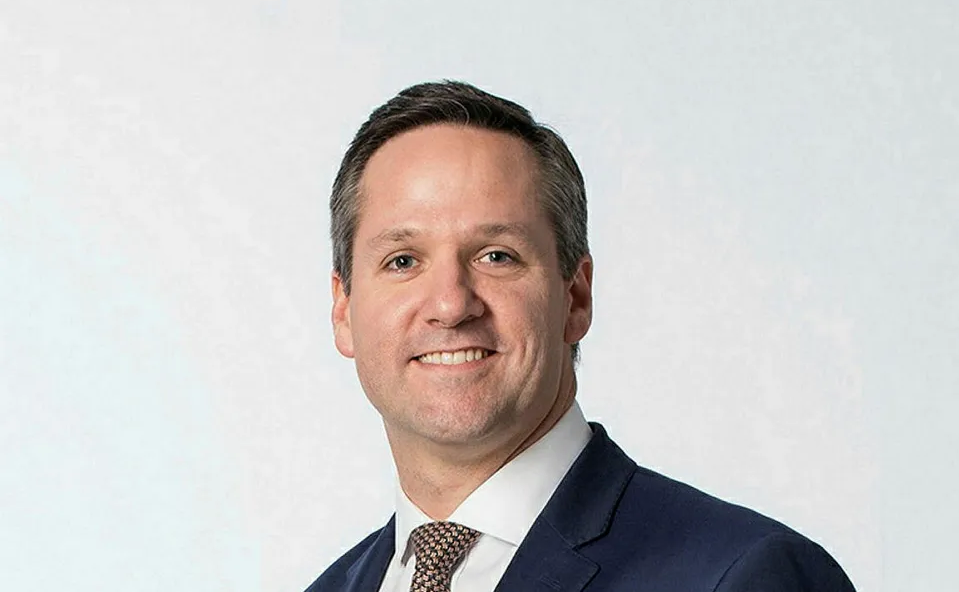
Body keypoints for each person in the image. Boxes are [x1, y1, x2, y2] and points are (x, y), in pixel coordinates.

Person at [305, 81, 856, 592]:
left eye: (497, 256)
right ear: (343, 310)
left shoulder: (745, 574)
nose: (451, 305)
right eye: (402, 261)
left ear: (576, 297)